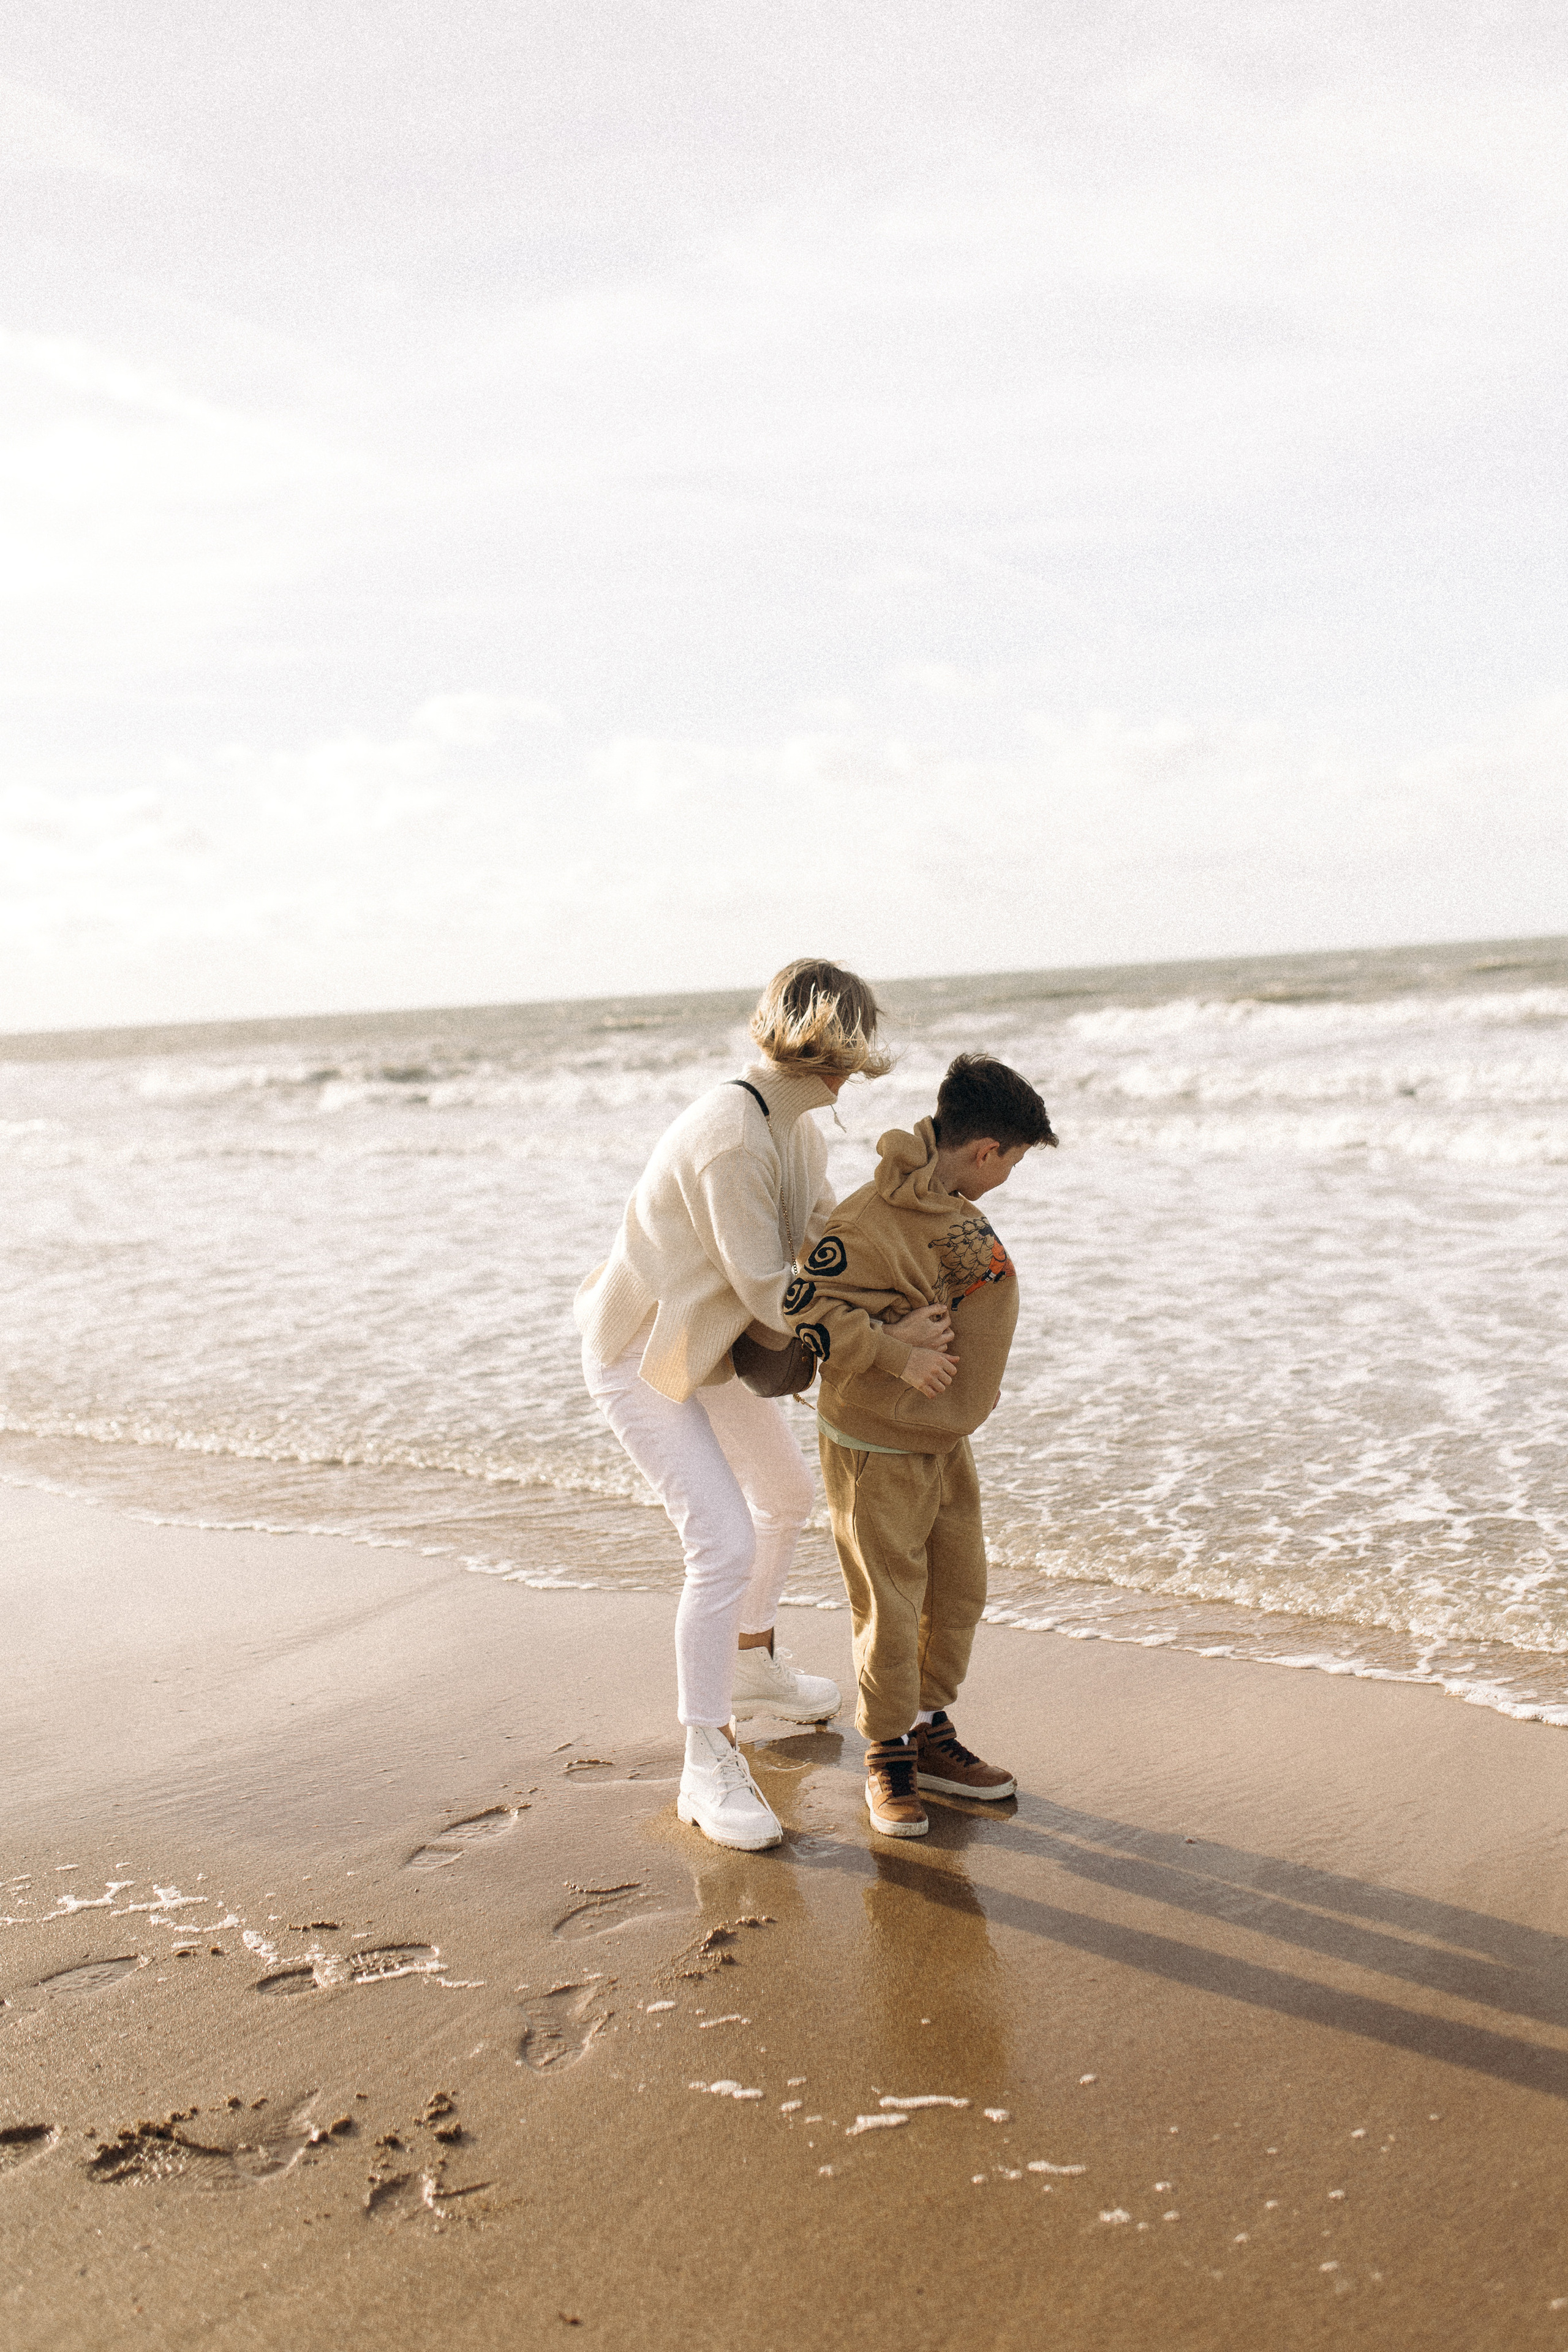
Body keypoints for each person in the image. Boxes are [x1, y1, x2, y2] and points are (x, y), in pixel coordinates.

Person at [575, 959, 954, 1852]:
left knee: (783, 1498)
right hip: (642, 1353)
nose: (852, 1079)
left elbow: (827, 1235)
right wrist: (892, 1353)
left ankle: (749, 1667)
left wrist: (912, 1261)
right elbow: (768, 1293)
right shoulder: (732, 1138)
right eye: (851, 1061)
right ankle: (706, 1759)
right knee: (722, 1543)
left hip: (701, 1350)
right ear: (835, 1055)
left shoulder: (797, 1129)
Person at [786, 1052, 1058, 1838]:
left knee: (958, 1590)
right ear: (985, 1152)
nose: (1007, 1175)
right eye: (1012, 1161)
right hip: (876, 1447)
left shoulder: (946, 1202)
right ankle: (886, 1757)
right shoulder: (868, 1220)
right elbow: (802, 1312)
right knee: (890, 1607)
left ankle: (929, 1728)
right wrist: (894, 1351)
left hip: (939, 1440)